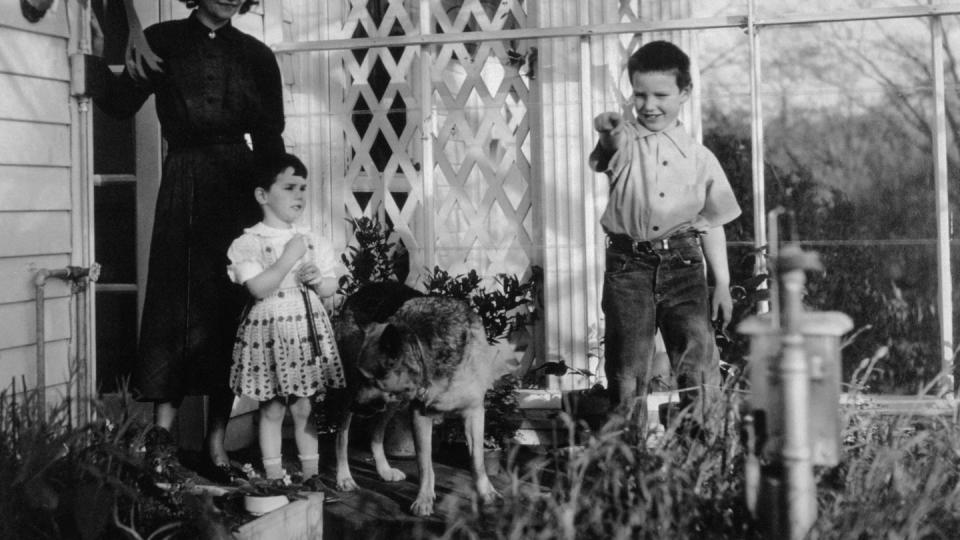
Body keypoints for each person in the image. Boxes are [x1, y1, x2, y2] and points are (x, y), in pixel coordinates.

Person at [91, 0, 285, 482]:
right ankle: (161, 441)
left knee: (230, 313)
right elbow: (118, 102)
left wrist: (276, 216)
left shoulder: (258, 55)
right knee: (173, 310)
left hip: (239, 191)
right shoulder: (161, 40)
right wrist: (92, 58)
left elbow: (270, 141)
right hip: (184, 187)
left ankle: (215, 445)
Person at [589, 40, 741, 425]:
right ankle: (628, 470)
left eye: (661, 95)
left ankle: (701, 465)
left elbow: (711, 223)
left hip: (684, 265)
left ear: (685, 93)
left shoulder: (700, 157)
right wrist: (607, 131)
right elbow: (608, 150)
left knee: (698, 367)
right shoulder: (625, 142)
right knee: (626, 370)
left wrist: (721, 283)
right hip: (629, 268)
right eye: (640, 95)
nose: (649, 105)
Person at [226, 153, 346, 481]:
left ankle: (310, 475)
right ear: (263, 195)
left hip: (304, 331)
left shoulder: (310, 239)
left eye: (304, 188)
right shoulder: (250, 242)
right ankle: (275, 475)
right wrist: (287, 259)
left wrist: (318, 280)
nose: (299, 195)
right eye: (290, 187)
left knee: (304, 406)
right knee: (272, 407)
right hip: (270, 331)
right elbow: (258, 288)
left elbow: (331, 285)